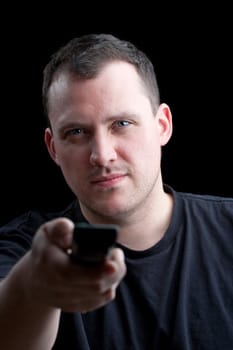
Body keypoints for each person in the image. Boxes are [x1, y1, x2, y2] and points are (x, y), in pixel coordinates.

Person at [0, 33, 232, 350]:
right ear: (53, 148)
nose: (102, 154)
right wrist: (34, 286)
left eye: (121, 124)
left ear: (162, 125)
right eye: (77, 132)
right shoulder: (23, 247)